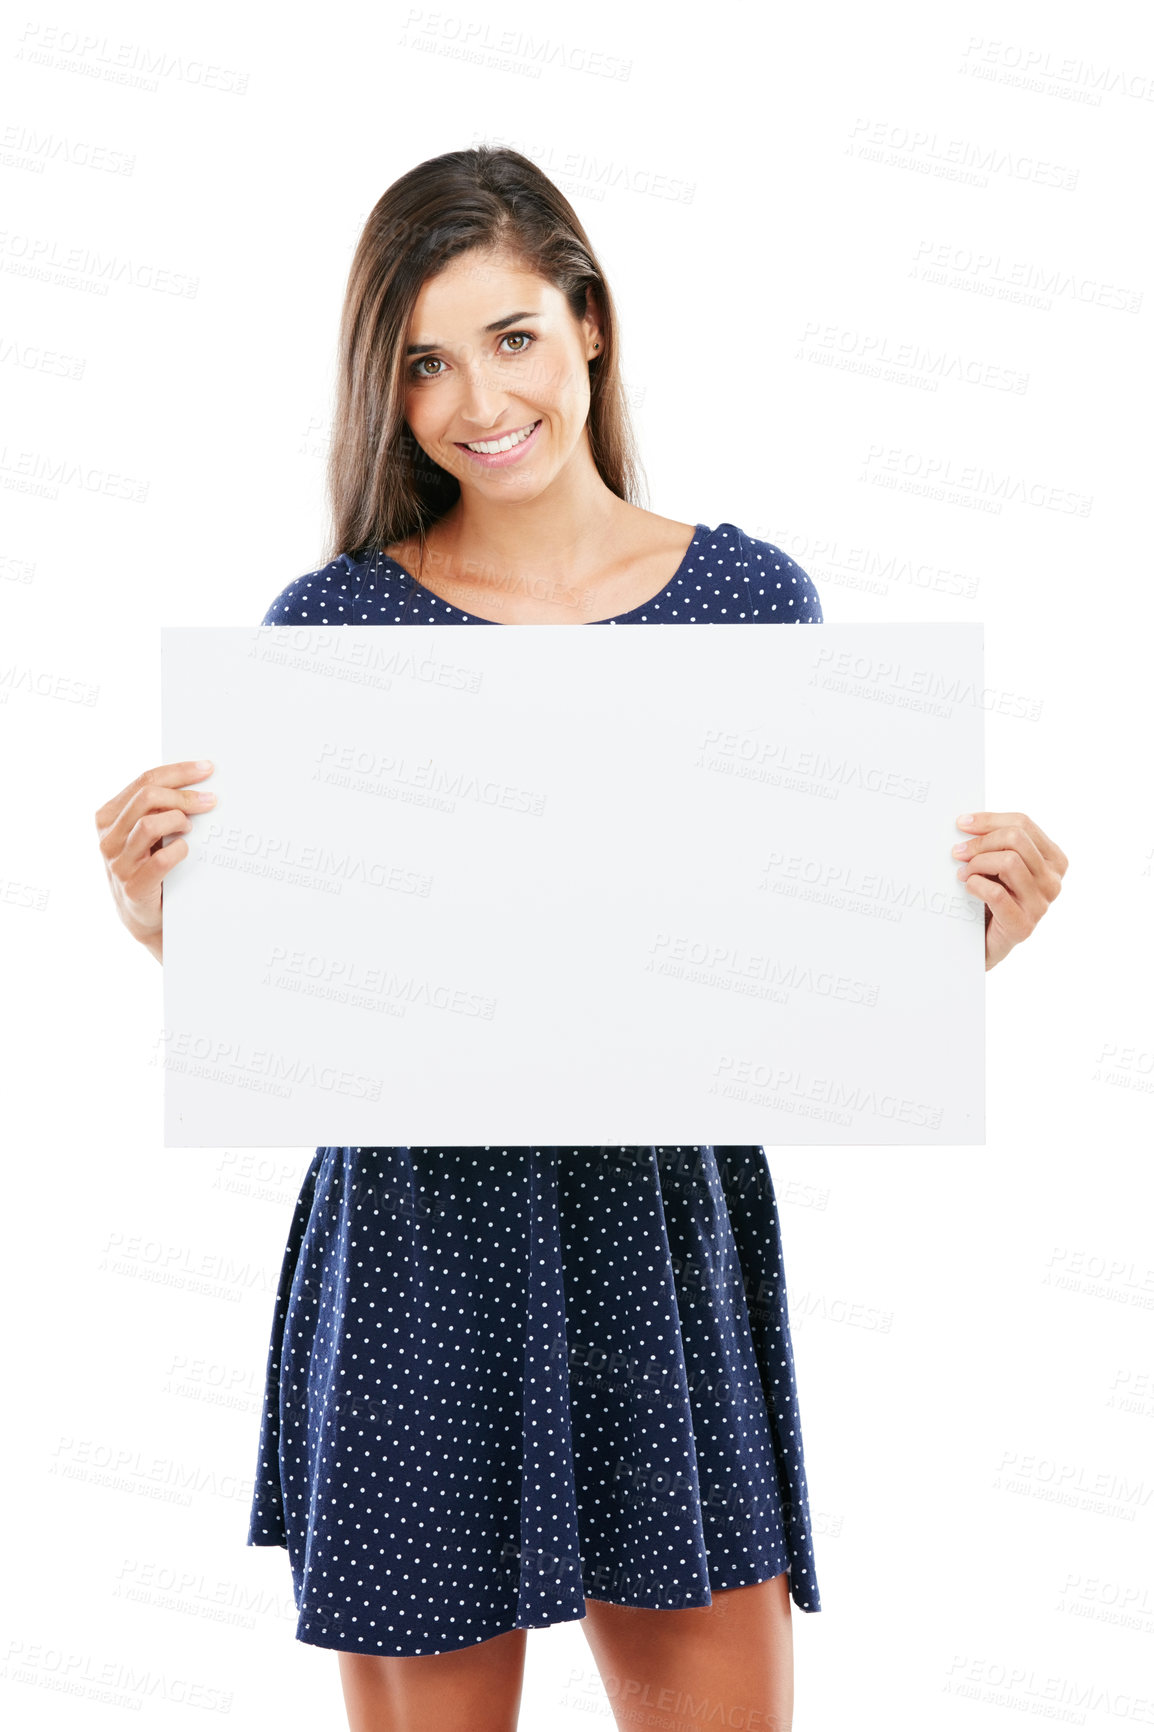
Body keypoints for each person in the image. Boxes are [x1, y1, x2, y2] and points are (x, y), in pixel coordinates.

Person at [94, 146, 1069, 1732]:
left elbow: (783, 973)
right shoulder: (334, 627)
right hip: (418, 1249)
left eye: (513, 336)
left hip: (653, 1248)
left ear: (590, 325)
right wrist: (166, 924)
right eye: (422, 362)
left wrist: (943, 955)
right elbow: (313, 988)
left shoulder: (747, 605)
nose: (479, 396)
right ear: (382, 390)